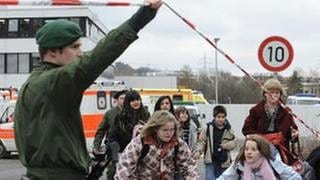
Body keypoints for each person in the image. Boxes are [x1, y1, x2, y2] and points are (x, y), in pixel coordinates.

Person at [13, 1, 162, 179]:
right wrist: (143, 16)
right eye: (75, 47)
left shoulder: (32, 85)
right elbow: (99, 56)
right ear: (52, 52)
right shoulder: (54, 83)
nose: (81, 53)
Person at [114, 110, 200, 179]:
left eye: (172, 129)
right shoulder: (140, 142)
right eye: (165, 130)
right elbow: (124, 168)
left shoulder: (177, 143)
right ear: (155, 129)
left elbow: (189, 166)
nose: (169, 133)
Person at [242, 78, 299, 165]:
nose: (274, 95)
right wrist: (262, 139)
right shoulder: (255, 110)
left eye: (277, 92)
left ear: (280, 94)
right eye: (271, 92)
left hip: (281, 153)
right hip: (260, 151)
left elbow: (292, 132)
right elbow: (246, 129)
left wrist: (294, 135)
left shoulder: (287, 111)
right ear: (265, 94)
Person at [218, 134, 301, 180]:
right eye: (246, 149)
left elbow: (295, 177)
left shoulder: (273, 163)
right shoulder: (240, 165)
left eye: (253, 149)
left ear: (261, 152)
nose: (249, 152)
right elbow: (224, 178)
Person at [193, 105, 236, 180]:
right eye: (218, 117)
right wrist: (198, 151)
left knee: (224, 178)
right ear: (214, 117)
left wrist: (225, 146)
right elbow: (201, 141)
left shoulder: (229, 129)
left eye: (223, 117)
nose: (221, 119)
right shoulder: (208, 128)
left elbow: (234, 142)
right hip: (211, 160)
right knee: (210, 178)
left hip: (224, 161)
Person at [92, 90, 127, 180]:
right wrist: (96, 146)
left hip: (128, 146)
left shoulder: (132, 112)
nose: (124, 100)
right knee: (112, 169)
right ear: (117, 100)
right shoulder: (110, 113)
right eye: (122, 98)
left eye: (126, 98)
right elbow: (101, 131)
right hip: (113, 147)